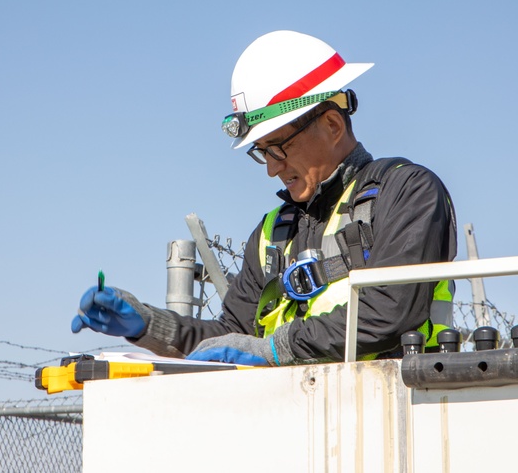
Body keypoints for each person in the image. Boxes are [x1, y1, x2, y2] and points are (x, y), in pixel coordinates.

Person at [71, 30, 457, 365]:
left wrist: (273, 350)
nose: (271, 168)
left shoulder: (408, 192)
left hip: (399, 412)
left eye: (278, 148)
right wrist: (148, 325)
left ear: (332, 125)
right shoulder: (275, 232)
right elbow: (229, 338)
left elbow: (388, 312)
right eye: (262, 152)